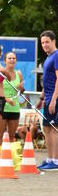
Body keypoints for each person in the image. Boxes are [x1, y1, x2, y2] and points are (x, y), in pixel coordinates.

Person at [38, 30, 58, 170]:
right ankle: (49, 158)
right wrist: (42, 98)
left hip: (55, 99)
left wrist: (53, 100)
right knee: (46, 128)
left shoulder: (56, 55)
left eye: (47, 42)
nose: (45, 45)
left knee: (53, 128)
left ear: (53, 41)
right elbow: (47, 81)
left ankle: (55, 161)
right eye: (42, 43)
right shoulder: (48, 58)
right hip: (48, 98)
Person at [2, 51, 25, 141]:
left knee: (11, 136)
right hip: (2, 107)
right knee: (0, 135)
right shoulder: (1, 73)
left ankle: (10, 155)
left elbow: (21, 92)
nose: (12, 60)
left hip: (14, 108)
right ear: (5, 61)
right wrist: (7, 99)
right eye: (9, 58)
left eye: (14, 58)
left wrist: (21, 88)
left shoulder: (18, 74)